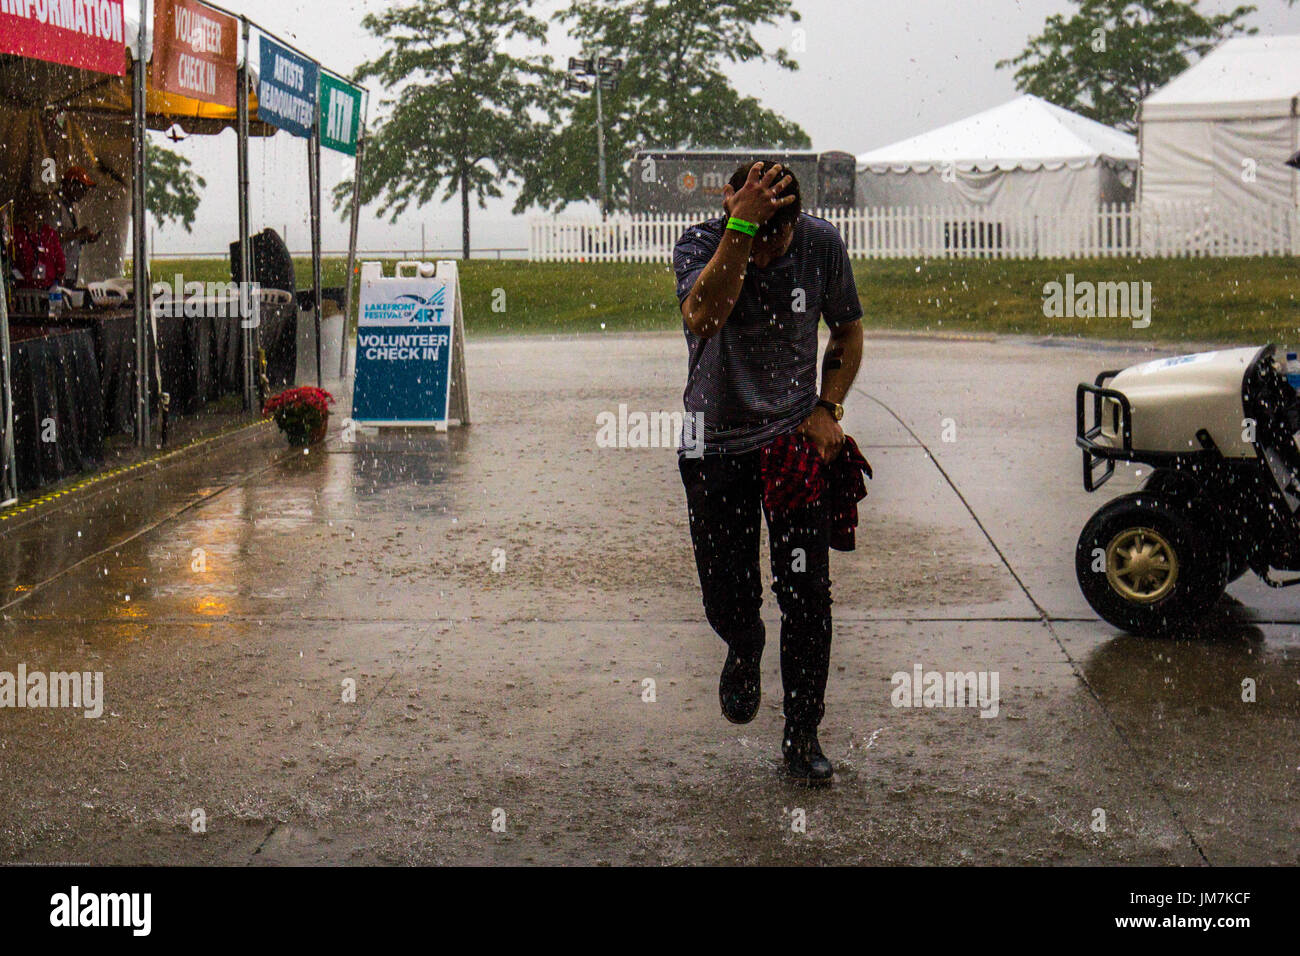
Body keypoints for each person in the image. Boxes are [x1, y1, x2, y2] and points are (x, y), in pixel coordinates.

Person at [674, 160, 864, 785]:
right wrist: (740, 231)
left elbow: (848, 330)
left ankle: (802, 733)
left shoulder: (819, 243)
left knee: (806, 597)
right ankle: (744, 644)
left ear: (794, 223)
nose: (767, 254)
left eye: (775, 238)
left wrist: (827, 408)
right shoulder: (701, 243)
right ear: (730, 206)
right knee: (726, 592)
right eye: (761, 234)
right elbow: (705, 316)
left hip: (790, 445)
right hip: (714, 445)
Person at [49, 166, 101, 285]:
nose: (84, 193)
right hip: (57, 272)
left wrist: (84, 238)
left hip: (70, 270)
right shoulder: (54, 203)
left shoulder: (73, 206)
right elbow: (50, 238)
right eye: (83, 188)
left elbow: (69, 237)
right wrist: (77, 234)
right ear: (69, 185)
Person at [12, 195, 65, 291]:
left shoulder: (48, 233)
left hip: (45, 289)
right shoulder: (17, 233)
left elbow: (60, 262)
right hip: (26, 290)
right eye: (28, 210)